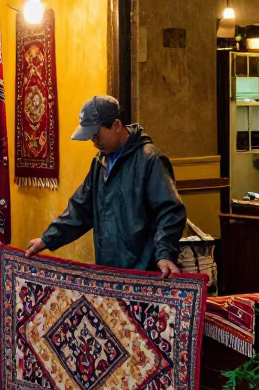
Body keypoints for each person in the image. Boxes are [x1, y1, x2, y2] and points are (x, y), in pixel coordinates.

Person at [26, 95, 186, 276]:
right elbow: (80, 209)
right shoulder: (99, 163)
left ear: (116, 125)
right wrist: (47, 239)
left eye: (96, 133)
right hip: (108, 271)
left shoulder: (150, 160)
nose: (93, 140)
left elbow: (170, 211)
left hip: (143, 271)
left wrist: (164, 253)